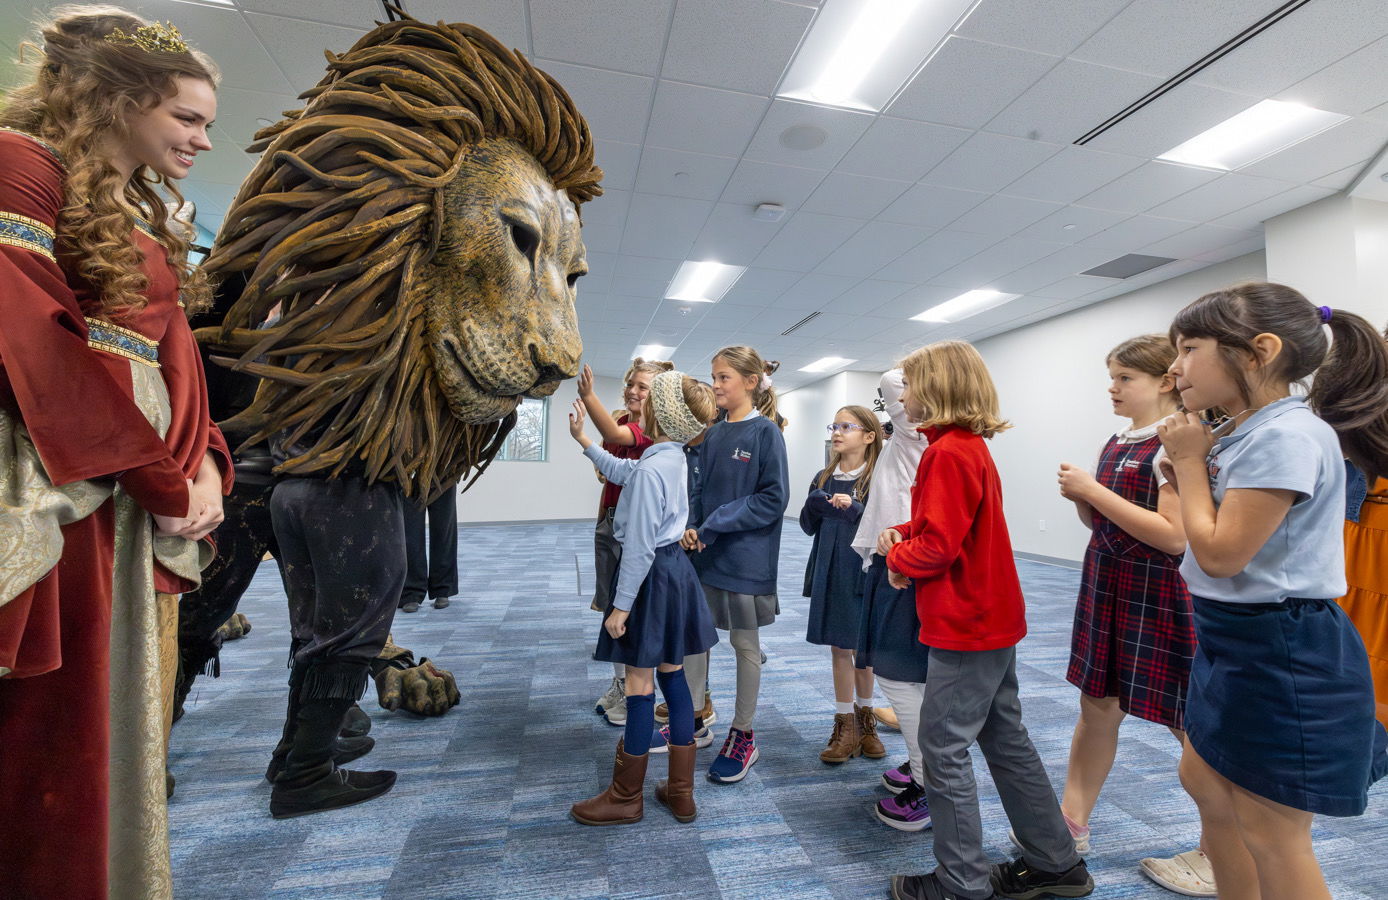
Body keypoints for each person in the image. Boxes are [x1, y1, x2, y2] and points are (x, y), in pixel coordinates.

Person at [0, 8, 230, 897]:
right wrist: (157, 475)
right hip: (79, 485)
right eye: (187, 118)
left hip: (143, 491)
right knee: (56, 739)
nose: (204, 139)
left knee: (124, 713)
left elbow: (171, 354)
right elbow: (31, 336)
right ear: (120, 98)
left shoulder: (128, 202)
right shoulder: (24, 163)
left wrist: (203, 459)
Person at [1156, 283, 1388, 900]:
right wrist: (1190, 470)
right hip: (1233, 637)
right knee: (1206, 785)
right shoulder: (1249, 429)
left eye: (1189, 348)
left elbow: (1221, 554)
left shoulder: (1286, 435)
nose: (1174, 368)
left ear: (1258, 351)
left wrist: (1185, 464)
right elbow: (1198, 537)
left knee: (1272, 829)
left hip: (1283, 647)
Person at [883, 341, 1093, 900]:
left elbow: (941, 549)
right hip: (992, 616)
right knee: (1005, 736)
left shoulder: (946, 452)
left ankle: (960, 883)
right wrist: (906, 533)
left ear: (940, 386)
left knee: (943, 747)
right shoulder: (966, 447)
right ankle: (1056, 862)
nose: (903, 395)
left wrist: (896, 558)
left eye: (911, 383)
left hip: (965, 622)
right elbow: (947, 525)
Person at [1053, 335, 1211, 895]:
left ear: (1164, 382)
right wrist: (1086, 500)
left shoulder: (1176, 445)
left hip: (1158, 591)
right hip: (1110, 582)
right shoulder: (1119, 439)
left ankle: (1219, 845)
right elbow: (1105, 525)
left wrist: (1093, 489)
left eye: (1125, 378)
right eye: (1112, 377)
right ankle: (1069, 824)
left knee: (1184, 718)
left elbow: (1172, 537)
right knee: (1097, 703)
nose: (1113, 388)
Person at [567, 370, 719, 826]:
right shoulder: (670, 457)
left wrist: (621, 607)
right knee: (672, 673)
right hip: (675, 575)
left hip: (650, 577)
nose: (640, 400)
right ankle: (681, 792)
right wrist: (585, 442)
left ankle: (625, 795)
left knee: (639, 683)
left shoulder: (655, 466)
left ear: (662, 412)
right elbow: (624, 471)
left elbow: (638, 546)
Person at [680, 346, 789, 784]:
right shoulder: (712, 433)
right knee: (695, 641)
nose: (716, 385)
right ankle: (691, 720)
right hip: (703, 555)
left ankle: (743, 734)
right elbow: (697, 487)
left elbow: (772, 499)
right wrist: (690, 524)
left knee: (745, 646)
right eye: (714, 377)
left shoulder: (766, 434)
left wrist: (714, 524)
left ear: (749, 381)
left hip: (745, 560)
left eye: (723, 377)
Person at [852, 369, 932, 832]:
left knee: (901, 678)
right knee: (908, 679)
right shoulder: (915, 436)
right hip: (894, 557)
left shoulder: (917, 430)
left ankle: (928, 782)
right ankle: (921, 764)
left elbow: (888, 378)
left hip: (905, 567)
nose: (903, 397)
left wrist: (920, 373)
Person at [578, 359, 668, 724]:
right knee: (608, 606)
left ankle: (636, 692)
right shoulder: (622, 420)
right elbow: (603, 469)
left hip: (636, 528)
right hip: (609, 519)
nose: (632, 390)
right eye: (631, 383)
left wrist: (587, 396)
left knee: (628, 609)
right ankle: (620, 684)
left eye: (642, 386)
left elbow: (613, 443)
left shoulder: (654, 434)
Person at [800, 404, 885, 764]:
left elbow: (887, 525)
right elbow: (807, 525)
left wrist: (856, 509)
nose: (836, 432)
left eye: (846, 426)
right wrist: (815, 505)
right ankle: (845, 725)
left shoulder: (878, 479)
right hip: (831, 569)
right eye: (834, 425)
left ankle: (867, 722)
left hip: (864, 572)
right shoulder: (823, 477)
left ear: (868, 436)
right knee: (839, 648)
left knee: (863, 652)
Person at [399, 482, 459, 613]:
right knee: (410, 532)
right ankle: (411, 592)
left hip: (445, 468)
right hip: (412, 469)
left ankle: (443, 588)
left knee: (443, 529)